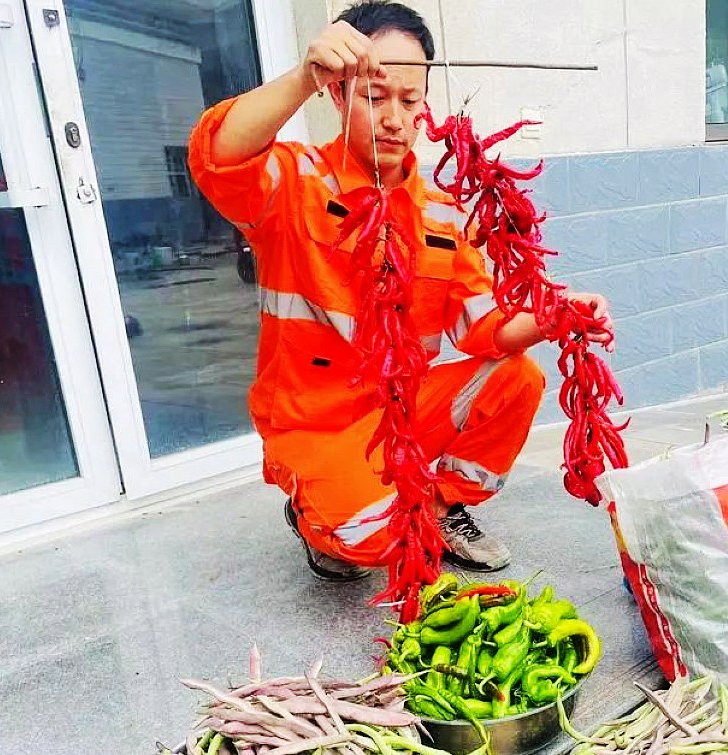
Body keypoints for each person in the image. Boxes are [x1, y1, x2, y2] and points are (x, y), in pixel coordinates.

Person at [189, 0, 611, 582]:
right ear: (337, 95)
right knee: (376, 543)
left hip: (401, 410)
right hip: (318, 421)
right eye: (375, 97)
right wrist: (302, 76)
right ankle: (314, 516)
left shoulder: (441, 211)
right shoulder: (294, 183)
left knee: (517, 376)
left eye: (410, 102)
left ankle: (437, 507)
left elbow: (484, 329)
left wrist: (555, 314)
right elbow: (218, 156)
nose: (394, 119)